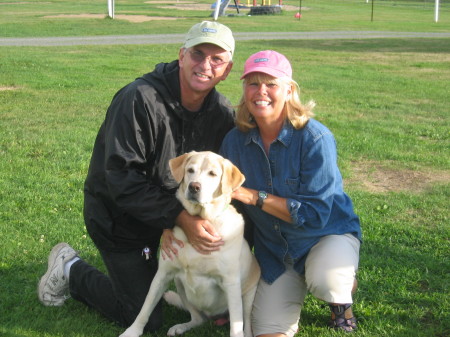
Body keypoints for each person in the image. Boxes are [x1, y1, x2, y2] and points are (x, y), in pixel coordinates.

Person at [38, 21, 236, 332]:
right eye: (197, 54)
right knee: (144, 318)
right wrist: (176, 219)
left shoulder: (222, 114)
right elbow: (120, 179)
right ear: (181, 55)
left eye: (217, 59)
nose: (205, 65)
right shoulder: (139, 99)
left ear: (227, 69)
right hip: (119, 220)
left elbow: (219, 180)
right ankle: (71, 269)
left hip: (168, 219)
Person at [220, 50, 362, 336]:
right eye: (252, 83)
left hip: (324, 235)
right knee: (266, 330)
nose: (261, 91)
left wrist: (254, 196)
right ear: (244, 90)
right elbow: (222, 200)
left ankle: (341, 300)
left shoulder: (315, 138)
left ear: (289, 90)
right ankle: (303, 280)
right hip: (275, 251)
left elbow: (315, 215)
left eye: (271, 83)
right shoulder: (234, 141)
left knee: (328, 281)